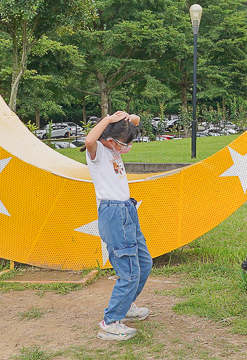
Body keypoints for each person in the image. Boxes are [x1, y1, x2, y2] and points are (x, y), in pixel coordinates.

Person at [84, 110, 152, 342]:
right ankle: (110, 322)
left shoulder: (113, 147)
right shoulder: (99, 152)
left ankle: (127, 305)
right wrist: (108, 120)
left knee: (144, 263)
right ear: (111, 140)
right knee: (129, 272)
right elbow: (89, 140)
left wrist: (126, 117)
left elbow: (136, 121)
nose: (125, 148)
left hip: (127, 210)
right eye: (123, 143)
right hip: (114, 213)